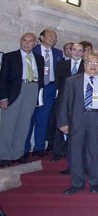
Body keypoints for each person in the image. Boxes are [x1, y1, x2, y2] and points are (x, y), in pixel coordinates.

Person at [58, 53, 98, 194]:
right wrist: (63, 123)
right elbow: (64, 103)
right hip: (77, 119)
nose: (93, 66)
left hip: (96, 118)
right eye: (90, 63)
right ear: (84, 65)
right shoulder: (72, 81)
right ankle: (77, 183)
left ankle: (94, 182)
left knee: (94, 152)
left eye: (96, 63)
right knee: (75, 152)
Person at [0, 33, 45, 167]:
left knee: (24, 124)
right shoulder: (10, 56)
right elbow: (3, 79)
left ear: (35, 43)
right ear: (20, 41)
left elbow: (41, 78)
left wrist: (39, 97)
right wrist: (3, 97)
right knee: (8, 125)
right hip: (15, 91)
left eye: (30, 41)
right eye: (24, 40)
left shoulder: (39, 59)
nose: (27, 43)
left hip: (32, 89)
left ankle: (17, 154)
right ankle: (4, 155)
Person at [26, 29, 63, 157]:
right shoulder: (33, 50)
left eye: (55, 37)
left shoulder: (58, 53)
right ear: (41, 37)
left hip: (50, 88)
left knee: (44, 118)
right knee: (30, 117)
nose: (53, 38)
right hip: (35, 87)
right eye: (50, 36)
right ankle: (25, 148)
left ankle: (39, 147)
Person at [51, 42, 85, 162]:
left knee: (77, 127)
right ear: (70, 51)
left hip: (80, 100)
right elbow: (57, 82)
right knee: (61, 124)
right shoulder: (61, 64)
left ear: (83, 53)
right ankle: (58, 151)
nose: (77, 53)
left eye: (80, 50)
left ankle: (75, 153)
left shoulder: (86, 66)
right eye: (74, 50)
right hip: (63, 99)